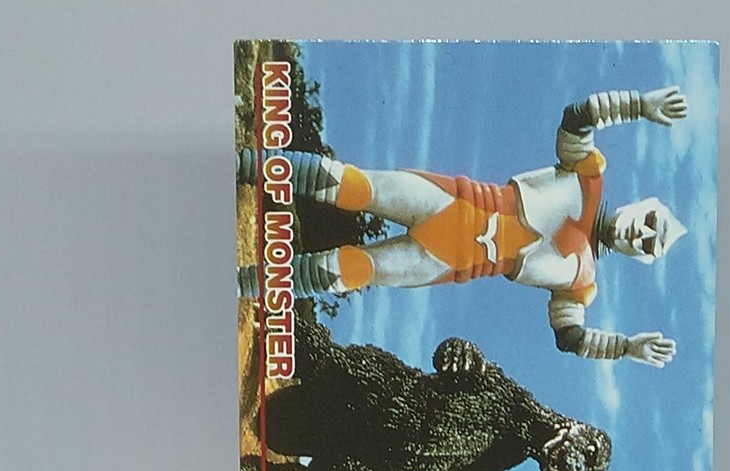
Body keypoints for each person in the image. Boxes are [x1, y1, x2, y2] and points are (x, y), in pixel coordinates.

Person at [237, 86, 689, 366]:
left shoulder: (581, 283)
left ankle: (244, 283)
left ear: (642, 258)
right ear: (643, 205)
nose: (642, 234)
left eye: (650, 244)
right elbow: (578, 117)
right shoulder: (588, 176)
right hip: (452, 199)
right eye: (652, 223)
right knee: (347, 184)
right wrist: (639, 105)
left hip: (449, 261)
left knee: (347, 270)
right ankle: (243, 165)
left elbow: (569, 336)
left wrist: (625, 347)